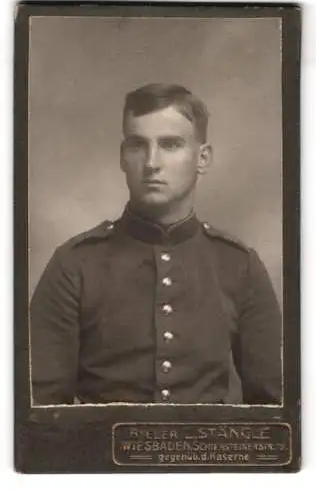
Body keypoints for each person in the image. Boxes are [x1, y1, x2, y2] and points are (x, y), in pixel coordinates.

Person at [30, 83, 282, 405]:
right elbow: (39, 412)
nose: (151, 162)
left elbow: (276, 414)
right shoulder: (74, 265)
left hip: (208, 455)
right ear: (123, 157)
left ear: (202, 158)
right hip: (97, 455)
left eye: (170, 145)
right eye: (138, 145)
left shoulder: (239, 266)